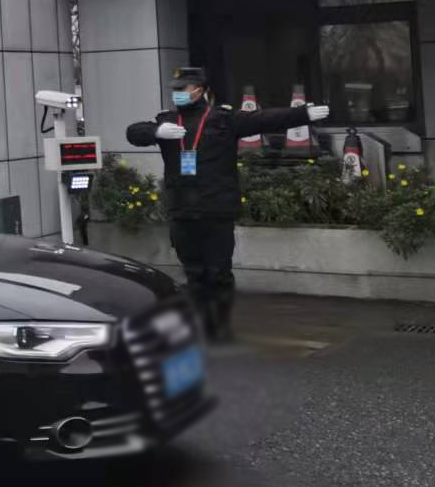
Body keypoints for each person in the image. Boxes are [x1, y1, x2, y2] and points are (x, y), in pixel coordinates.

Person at [127, 66, 329, 343]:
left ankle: (218, 326)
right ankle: (198, 325)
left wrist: (302, 114)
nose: (178, 94)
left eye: (183, 89)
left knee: (218, 273)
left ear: (200, 90)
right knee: (193, 273)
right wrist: (156, 132)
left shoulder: (223, 119)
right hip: (182, 210)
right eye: (175, 90)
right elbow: (133, 132)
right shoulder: (168, 121)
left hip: (216, 209)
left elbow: (264, 120)